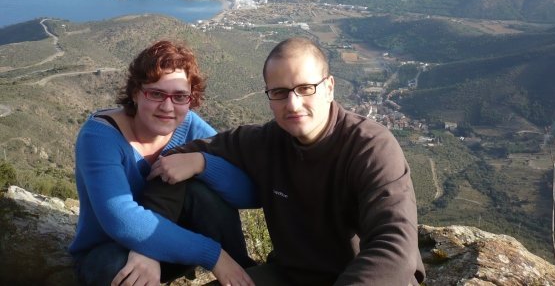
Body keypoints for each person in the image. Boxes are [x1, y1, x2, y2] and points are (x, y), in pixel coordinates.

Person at [147, 37, 426, 285]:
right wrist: (146, 248)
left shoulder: (370, 148)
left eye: (305, 88)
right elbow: (170, 162)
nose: (292, 104)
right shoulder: (264, 141)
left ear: (329, 88)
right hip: (289, 275)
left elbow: (394, 250)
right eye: (279, 92)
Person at [69, 40, 256, 286]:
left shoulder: (190, 125)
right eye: (156, 93)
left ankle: (246, 276)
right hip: (113, 253)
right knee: (116, 269)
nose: (168, 107)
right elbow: (121, 218)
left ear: (191, 98)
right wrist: (213, 255)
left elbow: (249, 195)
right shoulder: (100, 136)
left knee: (203, 191)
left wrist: (201, 163)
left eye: (180, 96)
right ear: (136, 93)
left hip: (178, 249)